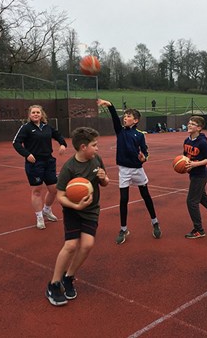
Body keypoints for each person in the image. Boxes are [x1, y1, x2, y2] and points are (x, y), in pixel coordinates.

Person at [45, 127, 109, 306]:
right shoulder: (69, 168)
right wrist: (76, 205)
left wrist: (104, 179)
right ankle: (53, 284)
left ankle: (69, 276)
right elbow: (60, 196)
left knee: (88, 244)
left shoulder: (96, 160)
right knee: (71, 245)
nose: (97, 149)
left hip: (91, 209)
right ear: (83, 147)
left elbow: (105, 182)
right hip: (73, 210)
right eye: (94, 145)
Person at [97, 98, 161, 244]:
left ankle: (155, 222)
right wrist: (110, 105)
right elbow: (114, 117)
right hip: (124, 170)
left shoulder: (140, 135)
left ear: (136, 120)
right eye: (124, 116)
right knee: (123, 199)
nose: (125, 118)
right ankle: (123, 228)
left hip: (137, 169)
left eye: (128, 116)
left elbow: (146, 153)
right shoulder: (120, 131)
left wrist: (143, 158)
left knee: (146, 196)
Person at [12, 105, 67, 230]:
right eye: (33, 112)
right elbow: (16, 143)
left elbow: (58, 135)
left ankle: (46, 210)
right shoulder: (26, 128)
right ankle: (39, 217)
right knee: (37, 190)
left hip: (48, 161)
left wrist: (63, 144)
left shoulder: (47, 127)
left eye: (38, 112)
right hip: (34, 163)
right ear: (29, 115)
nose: (36, 114)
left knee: (54, 189)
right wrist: (27, 154)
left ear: (41, 114)